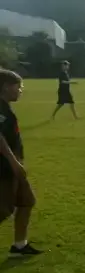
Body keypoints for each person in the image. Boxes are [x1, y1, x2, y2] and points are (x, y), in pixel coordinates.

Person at [0, 69, 42, 256]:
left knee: (26, 201)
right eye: (18, 86)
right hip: (4, 167)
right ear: (6, 87)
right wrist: (14, 162)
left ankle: (19, 246)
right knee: (3, 210)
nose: (21, 90)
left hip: (14, 164)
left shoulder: (5, 108)